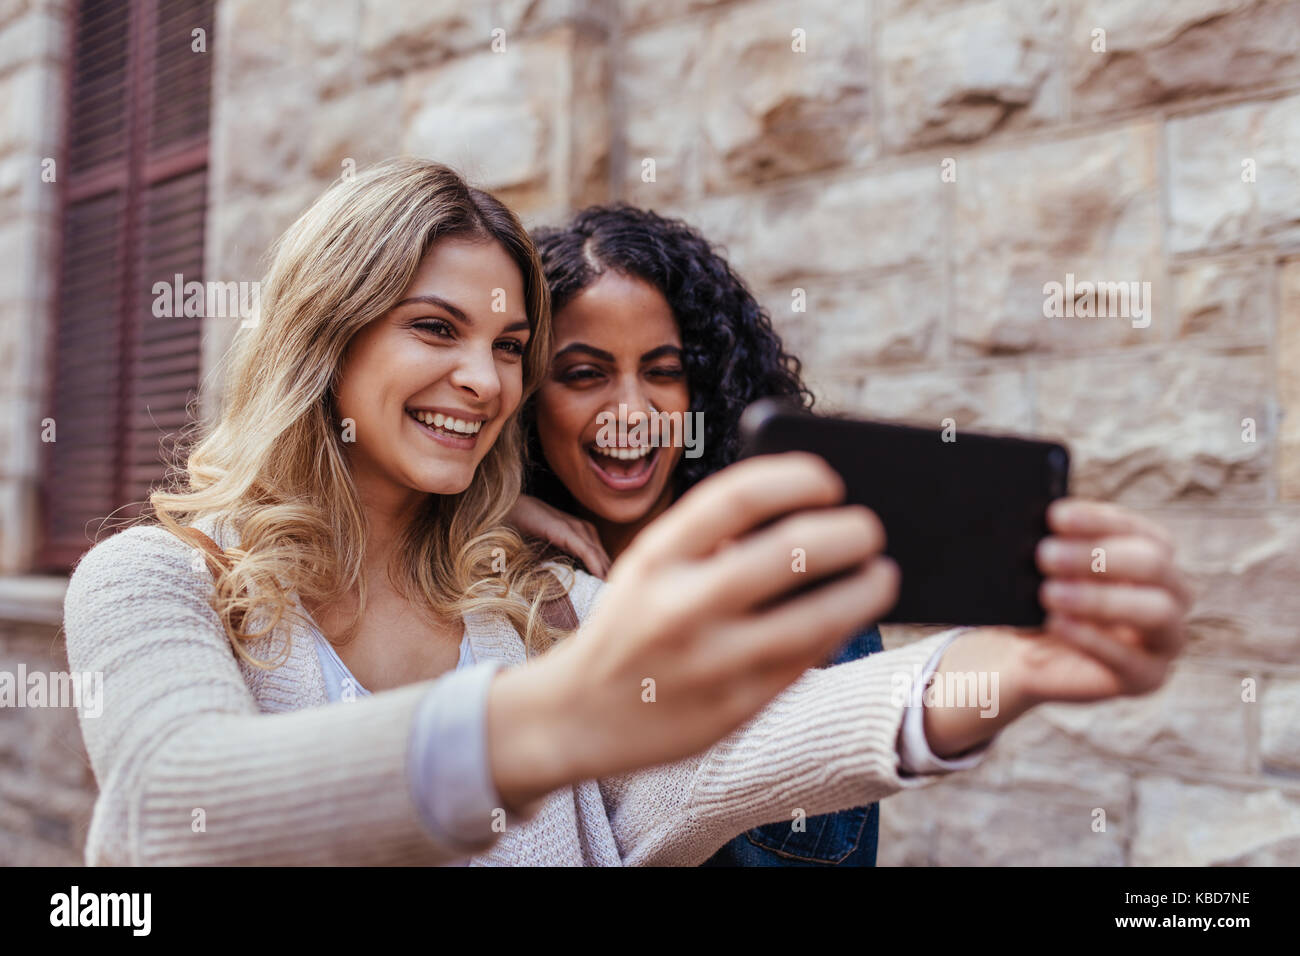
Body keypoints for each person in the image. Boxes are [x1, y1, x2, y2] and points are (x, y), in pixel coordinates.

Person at [62, 158, 1192, 866]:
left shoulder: (534, 598)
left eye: (509, 347)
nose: (483, 379)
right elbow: (173, 807)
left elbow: (717, 757)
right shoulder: (156, 578)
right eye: (436, 329)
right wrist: (550, 718)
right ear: (327, 334)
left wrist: (993, 668)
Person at [511, 204, 889, 865]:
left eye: (662, 371)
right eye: (584, 374)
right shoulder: (487, 586)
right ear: (523, 397)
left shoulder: (797, 591)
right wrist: (492, 509)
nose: (632, 411)